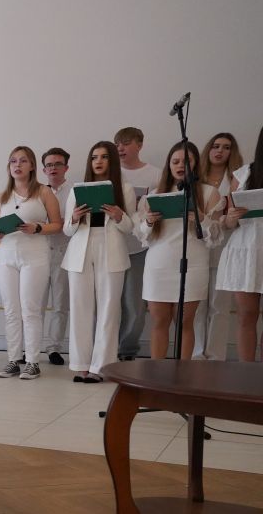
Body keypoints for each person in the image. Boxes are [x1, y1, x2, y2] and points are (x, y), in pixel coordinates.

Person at [139, 141, 221, 360]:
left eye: (186, 161)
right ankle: (157, 371)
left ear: (195, 164)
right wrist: (148, 222)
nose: (180, 166)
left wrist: (202, 219)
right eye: (175, 161)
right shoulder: (156, 193)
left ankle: (183, 373)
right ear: (169, 165)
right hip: (159, 264)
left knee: (184, 322)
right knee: (159, 321)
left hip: (192, 264)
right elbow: (143, 237)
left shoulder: (209, 193)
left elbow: (215, 237)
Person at [61, 141, 136, 382]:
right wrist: (74, 218)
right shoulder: (76, 190)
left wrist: (119, 215)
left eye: (104, 157)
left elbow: (130, 227)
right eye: (94, 157)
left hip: (111, 249)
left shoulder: (124, 189)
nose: (99, 161)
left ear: (111, 161)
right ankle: (81, 364)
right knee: (80, 308)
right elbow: (67, 230)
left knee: (109, 309)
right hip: (80, 251)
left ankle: (100, 366)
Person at [0, 146, 63, 381]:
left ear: (32, 165)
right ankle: (13, 360)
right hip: (6, 256)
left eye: (23, 161)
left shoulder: (43, 192)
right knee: (11, 310)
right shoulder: (2, 197)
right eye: (13, 161)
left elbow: (57, 224)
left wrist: (37, 227)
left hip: (35, 255)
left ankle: (32, 362)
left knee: (30, 310)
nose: (17, 165)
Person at [194, 132, 244, 360]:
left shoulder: (238, 179)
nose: (220, 151)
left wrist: (226, 220)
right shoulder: (196, 178)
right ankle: (195, 355)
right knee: (197, 304)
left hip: (225, 245)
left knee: (219, 305)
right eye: (215, 146)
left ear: (232, 152)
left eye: (226, 147)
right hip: (197, 246)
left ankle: (215, 357)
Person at [216, 126, 263, 361]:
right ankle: (247, 372)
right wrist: (232, 217)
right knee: (247, 315)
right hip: (246, 249)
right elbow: (226, 222)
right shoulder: (244, 174)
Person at [114, 127, 160, 361]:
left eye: (126, 143)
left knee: (135, 305)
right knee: (109, 303)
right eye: (117, 144)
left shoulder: (155, 175)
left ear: (139, 145)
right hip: (111, 246)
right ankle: (105, 349)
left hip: (140, 248)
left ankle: (127, 351)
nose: (120, 148)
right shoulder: (111, 173)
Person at [41, 147, 73, 365]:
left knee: (60, 304)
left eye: (58, 164)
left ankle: (54, 348)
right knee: (35, 304)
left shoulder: (74, 192)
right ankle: (29, 347)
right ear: (44, 169)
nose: (53, 168)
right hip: (39, 253)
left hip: (64, 252)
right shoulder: (36, 192)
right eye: (49, 165)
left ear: (66, 168)